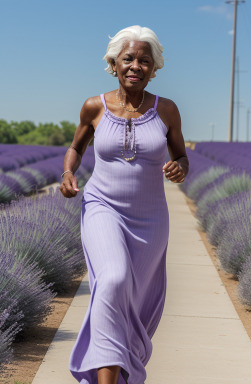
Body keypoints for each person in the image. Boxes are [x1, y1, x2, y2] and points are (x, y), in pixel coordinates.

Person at [59, 25, 189, 384]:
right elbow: (76, 147)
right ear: (113, 63)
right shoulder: (94, 106)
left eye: (144, 60)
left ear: (155, 67)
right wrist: (69, 172)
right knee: (113, 280)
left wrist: (180, 167)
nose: (135, 65)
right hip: (102, 207)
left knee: (134, 302)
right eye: (128, 58)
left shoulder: (167, 111)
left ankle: (119, 373)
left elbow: (181, 154)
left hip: (150, 219)